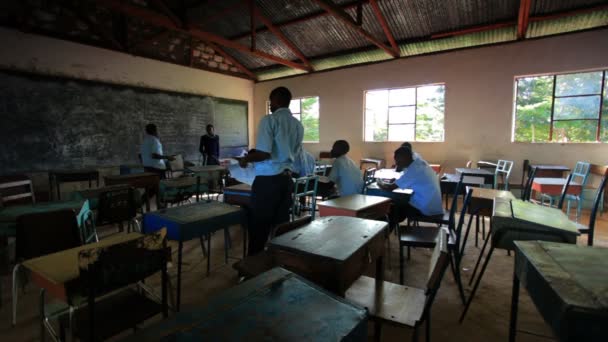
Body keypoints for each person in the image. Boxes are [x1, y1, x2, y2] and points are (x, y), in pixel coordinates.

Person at [238, 87, 304, 255]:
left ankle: (252, 269)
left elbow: (264, 153)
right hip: (286, 179)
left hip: (268, 181)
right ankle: (277, 263)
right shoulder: (298, 125)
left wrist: (246, 159)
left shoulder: (269, 120)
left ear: (278, 101)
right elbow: (291, 153)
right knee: (280, 226)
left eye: (271, 101)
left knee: (259, 226)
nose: (270, 105)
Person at [378, 146, 443, 225]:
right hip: (433, 206)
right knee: (398, 204)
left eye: (398, 161)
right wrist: (397, 181)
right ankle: (390, 229)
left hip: (425, 209)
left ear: (405, 158)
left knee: (393, 208)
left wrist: (379, 181)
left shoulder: (413, 170)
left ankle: (385, 232)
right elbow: (409, 178)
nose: (397, 164)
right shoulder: (419, 162)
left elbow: (389, 187)